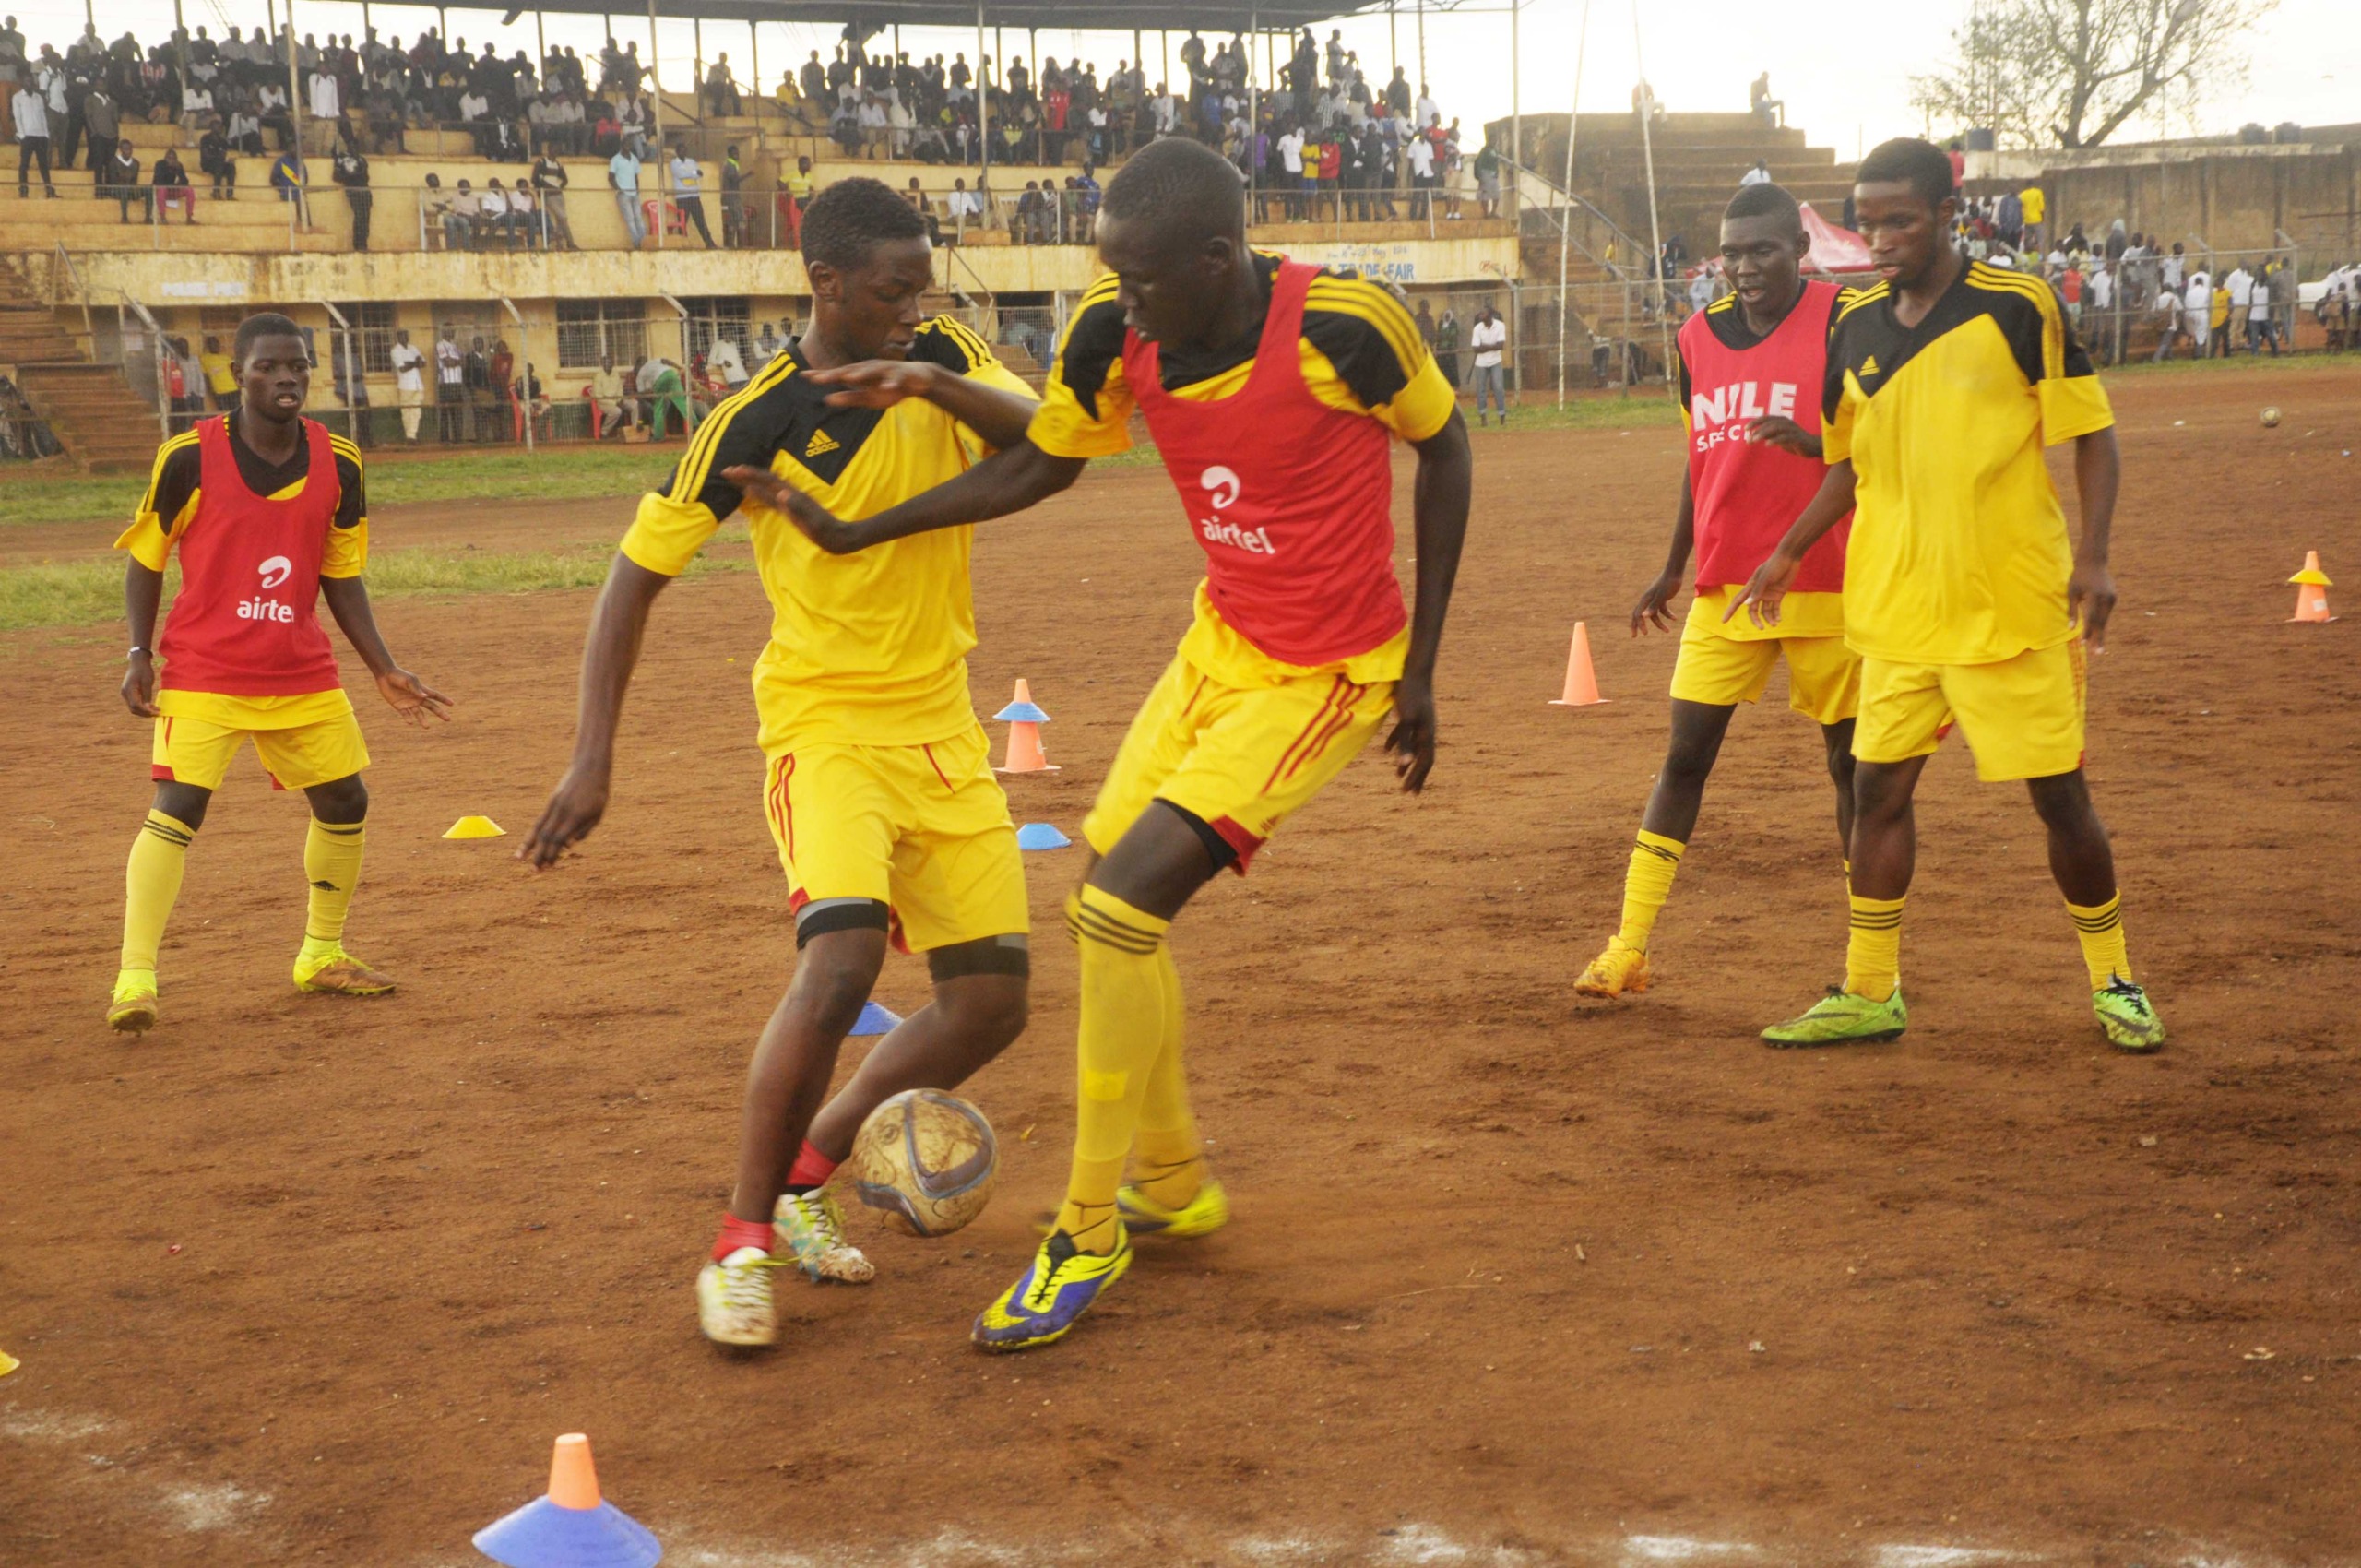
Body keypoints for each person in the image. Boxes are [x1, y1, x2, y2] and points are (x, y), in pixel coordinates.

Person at [759, 138, 1471, 1352]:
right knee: (1111, 904)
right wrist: (858, 527)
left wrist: (1422, 669)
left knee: (1115, 915)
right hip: (1219, 647)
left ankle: (1089, 1231)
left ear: (1217, 255)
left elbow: (1445, 449)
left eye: (1140, 280)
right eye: (1111, 277)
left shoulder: (1348, 327)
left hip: (1331, 670)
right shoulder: (1114, 328)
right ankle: (1175, 1179)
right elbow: (1043, 460)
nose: (1121, 301)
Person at [522, 180, 1042, 1348]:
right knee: (843, 956)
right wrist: (591, 756)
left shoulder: (943, 355)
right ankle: (740, 1242)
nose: (916, 306)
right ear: (826, 285)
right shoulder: (753, 415)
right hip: (824, 727)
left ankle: (814, 1169)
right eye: (892, 289)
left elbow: (1050, 439)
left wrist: (930, 375)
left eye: (924, 285)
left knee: (992, 1001)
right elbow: (632, 577)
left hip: (946, 730)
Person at [1728, 137, 2163, 1052]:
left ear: (1945, 216)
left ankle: (2114, 975)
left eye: (1900, 219)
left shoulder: (2017, 306)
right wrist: (1785, 551)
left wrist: (2095, 557)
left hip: (2008, 609)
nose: (1880, 237)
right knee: (1875, 793)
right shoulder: (1852, 325)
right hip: (1894, 612)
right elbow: (1847, 461)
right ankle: (1868, 989)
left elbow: (2091, 432)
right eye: (1868, 219)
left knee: (2060, 801)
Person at [106, 312, 450, 1035]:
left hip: (299, 671)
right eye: (268, 367)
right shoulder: (188, 457)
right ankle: (135, 979)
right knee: (178, 809)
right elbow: (147, 555)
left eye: (297, 365)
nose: (285, 377)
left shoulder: (342, 461)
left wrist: (382, 668)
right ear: (239, 374)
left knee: (346, 801)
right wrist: (140, 652)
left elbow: (341, 575)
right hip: (205, 670)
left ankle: (322, 955)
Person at [1577, 182, 1857, 998]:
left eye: (1761, 250)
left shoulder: (1844, 321)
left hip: (1830, 579)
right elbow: (1703, 458)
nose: (1743, 267)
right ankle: (1628, 946)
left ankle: (1868, 964)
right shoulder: (1696, 337)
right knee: (1683, 761)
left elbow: (1865, 443)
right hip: (1727, 585)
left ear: (1798, 250)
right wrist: (1676, 562)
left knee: (1851, 773)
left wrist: (1809, 445)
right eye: (1731, 253)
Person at [13, 74, 54, 197]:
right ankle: (23, 190)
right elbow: (17, 117)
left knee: (44, 164)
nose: (29, 84)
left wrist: (46, 133)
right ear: (22, 83)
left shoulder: (38, 98)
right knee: (24, 164)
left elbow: (43, 116)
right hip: (28, 136)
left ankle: (49, 189)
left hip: (41, 135)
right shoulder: (17, 98)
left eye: (31, 82)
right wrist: (22, 135)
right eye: (27, 81)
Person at [1468, 302, 1507, 424]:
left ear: (1490, 315)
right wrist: (1492, 346)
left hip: (1496, 361)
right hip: (1481, 363)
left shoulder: (1500, 326)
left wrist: (1484, 346)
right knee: (1481, 389)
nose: (1481, 316)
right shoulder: (1477, 328)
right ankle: (1483, 417)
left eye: (1483, 314)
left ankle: (1502, 416)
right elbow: (1475, 348)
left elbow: (1500, 346)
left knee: (1498, 387)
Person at [669, 143, 715, 246]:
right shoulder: (674, 163)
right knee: (682, 222)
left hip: (694, 195)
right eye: (681, 150)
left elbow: (700, 174)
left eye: (685, 150)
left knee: (701, 221)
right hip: (682, 197)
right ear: (677, 152)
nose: (683, 152)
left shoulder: (692, 161)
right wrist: (693, 173)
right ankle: (682, 244)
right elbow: (680, 175)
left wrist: (692, 173)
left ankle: (709, 243)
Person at [531, 146, 574, 248]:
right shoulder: (541, 162)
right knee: (563, 218)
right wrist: (542, 189)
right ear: (549, 150)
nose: (555, 152)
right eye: (554, 150)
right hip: (548, 195)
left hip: (558, 194)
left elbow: (565, 180)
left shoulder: (558, 164)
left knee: (559, 220)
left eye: (557, 151)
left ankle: (559, 244)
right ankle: (570, 242)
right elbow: (534, 179)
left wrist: (559, 188)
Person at [389, 328, 426, 444]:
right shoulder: (395, 351)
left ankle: (412, 435)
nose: (404, 338)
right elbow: (402, 368)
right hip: (405, 385)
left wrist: (412, 363)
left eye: (406, 336)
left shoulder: (413, 348)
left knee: (416, 411)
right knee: (406, 411)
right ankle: (409, 436)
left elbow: (423, 363)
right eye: (402, 336)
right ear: (398, 337)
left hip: (417, 384)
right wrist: (415, 363)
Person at [333, 140, 371, 250]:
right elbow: (336, 177)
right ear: (348, 147)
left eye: (356, 147)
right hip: (352, 190)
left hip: (364, 189)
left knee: (365, 216)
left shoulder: (362, 160)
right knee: (359, 215)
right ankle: (358, 243)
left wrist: (359, 172)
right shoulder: (342, 159)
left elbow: (367, 177)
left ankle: (363, 242)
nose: (354, 149)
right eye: (352, 146)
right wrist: (350, 177)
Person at [587, 352, 635, 436]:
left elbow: (620, 389)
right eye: (606, 363)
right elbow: (598, 396)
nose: (608, 365)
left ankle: (634, 429)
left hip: (618, 400)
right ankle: (604, 432)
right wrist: (615, 403)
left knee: (635, 404)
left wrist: (619, 400)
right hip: (603, 403)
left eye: (610, 363)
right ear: (603, 364)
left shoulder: (616, 374)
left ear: (613, 364)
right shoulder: (598, 376)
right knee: (617, 411)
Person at [610, 141, 645, 246]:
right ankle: (636, 242)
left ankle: (643, 241)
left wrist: (637, 188)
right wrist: (619, 189)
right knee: (630, 219)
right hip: (623, 194)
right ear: (621, 146)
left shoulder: (634, 159)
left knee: (638, 218)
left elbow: (636, 177)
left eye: (629, 145)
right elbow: (610, 177)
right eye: (626, 145)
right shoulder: (615, 159)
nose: (628, 147)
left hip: (634, 193)